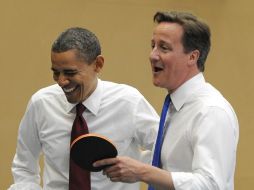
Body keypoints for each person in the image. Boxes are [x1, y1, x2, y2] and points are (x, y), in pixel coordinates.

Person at [93, 11, 239, 190]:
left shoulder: (211, 111)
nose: (152, 55)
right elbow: (172, 166)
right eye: (153, 45)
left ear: (192, 57)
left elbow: (211, 184)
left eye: (164, 48)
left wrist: (143, 172)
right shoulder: (174, 107)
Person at [8, 27, 159, 190]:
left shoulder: (129, 102)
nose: (61, 81)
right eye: (56, 72)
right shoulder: (41, 103)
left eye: (70, 73)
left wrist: (140, 170)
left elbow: (165, 151)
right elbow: (24, 166)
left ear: (98, 64)